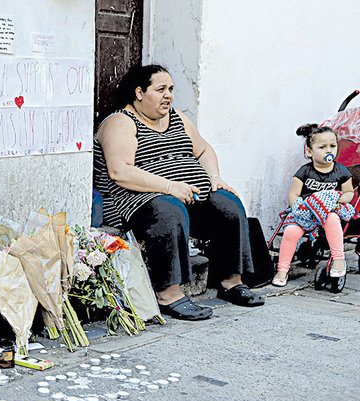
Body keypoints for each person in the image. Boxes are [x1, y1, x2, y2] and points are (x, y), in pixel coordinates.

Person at [94, 64, 263, 321]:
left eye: (171, 89)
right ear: (139, 92)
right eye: (160, 89)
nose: (168, 95)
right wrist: (170, 187)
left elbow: (204, 150)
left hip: (188, 196)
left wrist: (215, 178)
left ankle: (231, 282)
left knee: (227, 203)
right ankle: (168, 293)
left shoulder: (176, 117)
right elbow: (120, 171)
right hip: (140, 202)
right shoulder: (120, 122)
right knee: (168, 210)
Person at [271, 124, 354, 287]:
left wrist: (336, 199)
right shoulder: (305, 171)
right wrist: (298, 206)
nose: (329, 150)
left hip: (329, 211)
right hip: (307, 212)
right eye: (322, 147)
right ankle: (282, 269)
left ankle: (338, 259)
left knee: (332, 218)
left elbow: (349, 193)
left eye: (333, 146)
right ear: (309, 151)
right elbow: (294, 194)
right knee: (290, 231)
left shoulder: (341, 172)